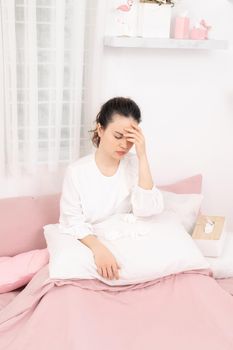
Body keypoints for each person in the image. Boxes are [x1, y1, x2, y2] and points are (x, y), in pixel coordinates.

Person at [59, 97, 164, 282]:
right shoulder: (77, 172)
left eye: (130, 138)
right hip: (94, 246)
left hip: (130, 245)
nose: (124, 145)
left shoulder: (134, 165)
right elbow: (72, 221)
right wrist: (98, 249)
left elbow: (147, 210)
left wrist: (142, 155)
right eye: (117, 136)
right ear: (100, 129)